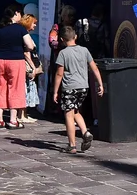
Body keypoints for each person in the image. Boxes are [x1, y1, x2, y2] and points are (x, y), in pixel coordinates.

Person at [52, 25, 105, 154]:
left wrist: (55, 91)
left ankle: (72, 145)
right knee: (75, 110)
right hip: (83, 87)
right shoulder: (85, 50)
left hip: (70, 87)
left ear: (62, 39)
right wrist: (100, 83)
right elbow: (94, 68)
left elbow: (59, 74)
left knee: (68, 115)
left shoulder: (63, 53)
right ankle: (85, 132)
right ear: (75, 37)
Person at [0, 4, 35, 130]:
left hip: (0, 60)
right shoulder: (20, 29)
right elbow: (30, 46)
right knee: (15, 88)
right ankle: (12, 120)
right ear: (15, 13)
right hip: (16, 60)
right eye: (20, 13)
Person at [20, 14, 42, 124]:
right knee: (26, 88)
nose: (35, 25)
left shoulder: (27, 34)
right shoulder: (24, 36)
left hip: (29, 63)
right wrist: (33, 67)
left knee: (28, 87)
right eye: (33, 23)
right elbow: (26, 53)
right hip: (27, 65)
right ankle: (22, 114)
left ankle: (24, 113)